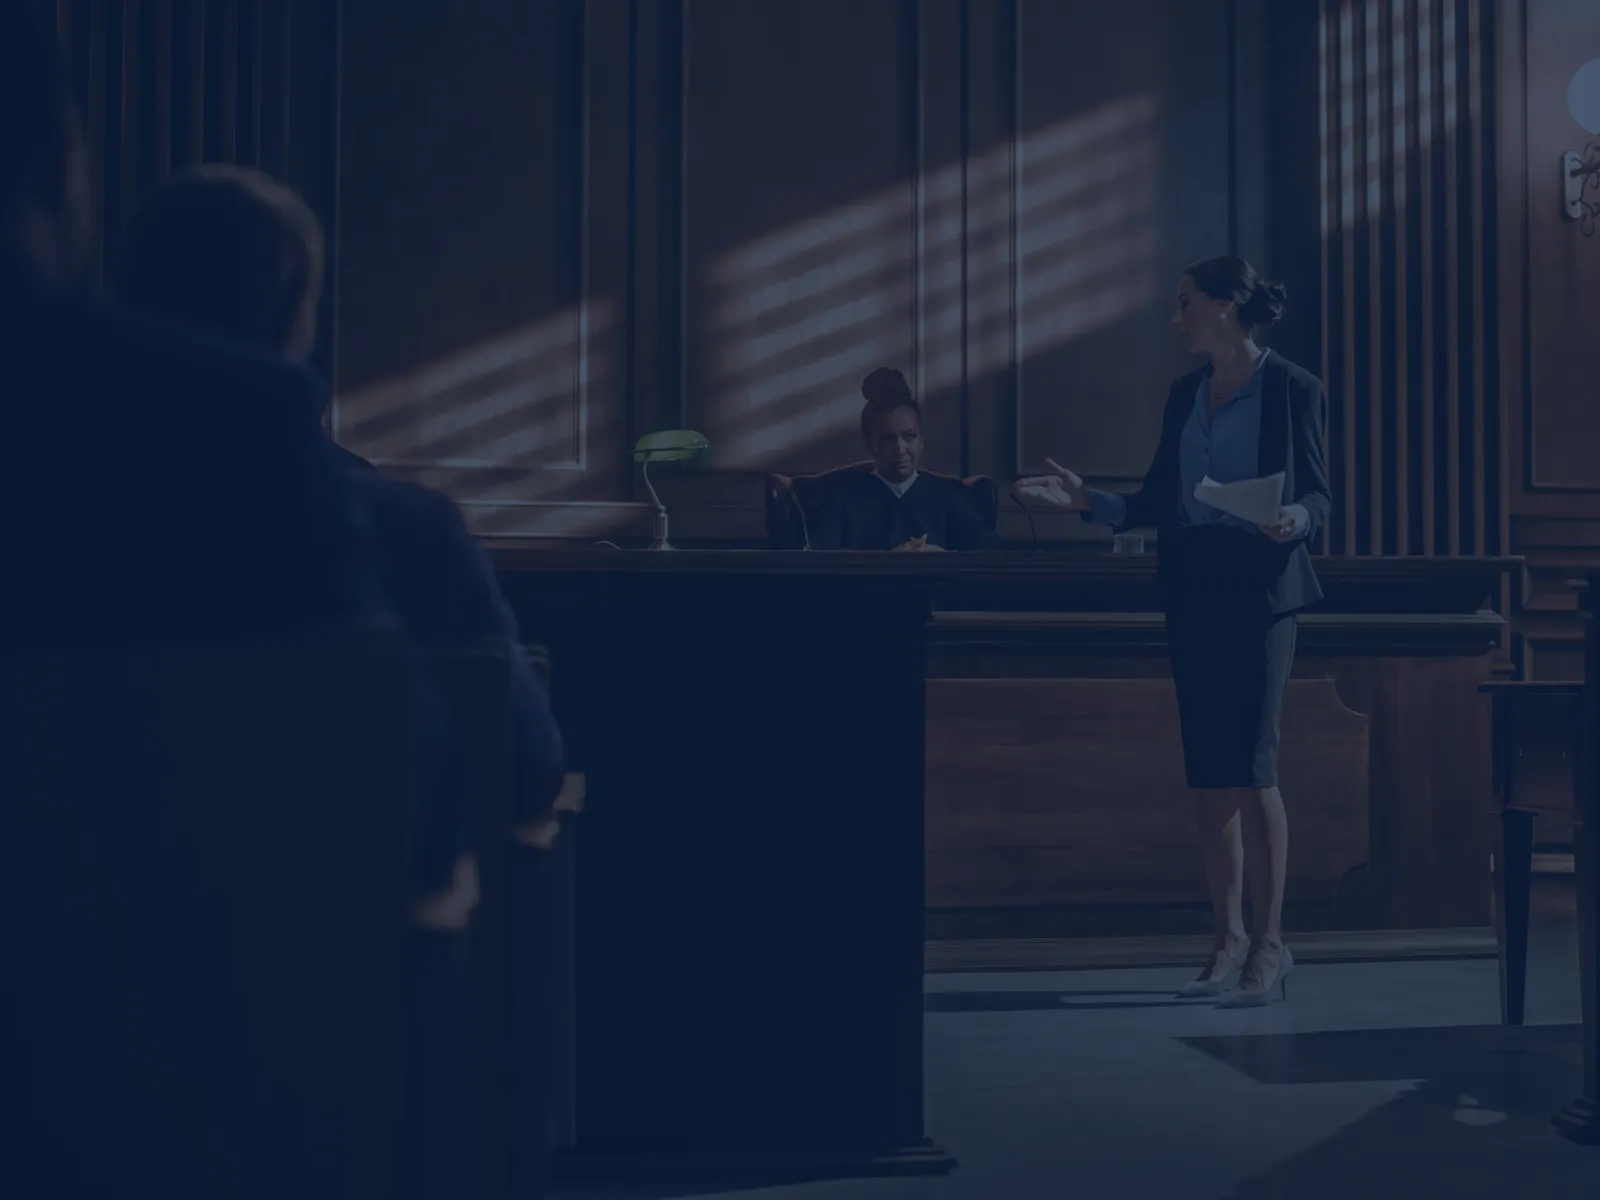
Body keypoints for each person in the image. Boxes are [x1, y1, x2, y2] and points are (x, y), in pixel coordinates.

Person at [111, 164, 571, 844]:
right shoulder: (403, 533)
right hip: (349, 938)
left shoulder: (48, 527)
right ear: (296, 320)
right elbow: (527, 770)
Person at [1014, 256, 1331, 1008]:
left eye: (1186, 302)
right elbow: (1159, 499)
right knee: (1211, 770)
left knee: (1254, 767)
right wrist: (1088, 501)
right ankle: (1223, 940)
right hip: (1193, 591)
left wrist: (1298, 518)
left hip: (1260, 588)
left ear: (1225, 306)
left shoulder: (1294, 388)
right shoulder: (1185, 394)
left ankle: (1271, 943)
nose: (1176, 315)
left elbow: (1319, 489)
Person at [806, 368, 998, 551]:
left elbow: (987, 557)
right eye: (888, 440)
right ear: (869, 444)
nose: (900, 450)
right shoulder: (840, 501)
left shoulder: (949, 497)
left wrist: (943, 558)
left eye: (910, 437)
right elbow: (823, 565)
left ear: (921, 440)